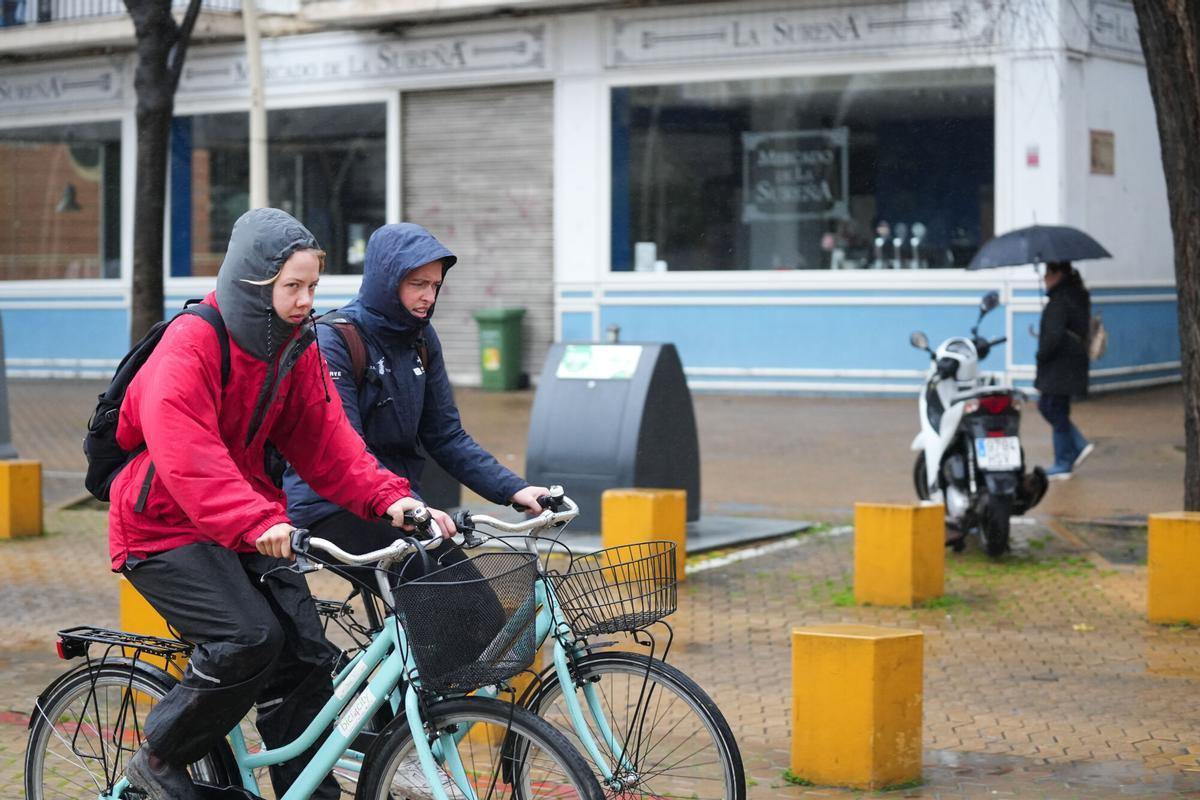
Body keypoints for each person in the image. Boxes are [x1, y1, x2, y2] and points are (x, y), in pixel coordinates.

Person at [112, 208, 441, 800]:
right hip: (160, 526)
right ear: (252, 284)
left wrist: (394, 501)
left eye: (313, 286)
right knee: (250, 638)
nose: (305, 300)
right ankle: (158, 758)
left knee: (308, 657)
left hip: (242, 521)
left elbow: (329, 442)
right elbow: (188, 454)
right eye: (292, 286)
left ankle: (307, 792)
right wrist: (258, 519)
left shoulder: (296, 346)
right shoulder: (191, 343)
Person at [285, 222, 548, 564]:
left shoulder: (421, 338)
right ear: (387, 281)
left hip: (401, 504)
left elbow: (446, 435)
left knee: (468, 601)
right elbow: (346, 450)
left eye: (436, 285)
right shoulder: (334, 341)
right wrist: (411, 504)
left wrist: (513, 489)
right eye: (418, 284)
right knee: (452, 599)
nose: (429, 296)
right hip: (332, 505)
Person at [1035, 260, 1095, 480]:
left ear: (1058, 274)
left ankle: (1066, 458)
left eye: (1048, 273)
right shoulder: (1077, 294)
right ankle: (1072, 452)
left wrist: (1041, 355)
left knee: (1051, 407)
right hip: (1071, 364)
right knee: (1055, 408)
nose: (1044, 278)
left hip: (1058, 366)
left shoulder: (1059, 301)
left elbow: (1052, 337)